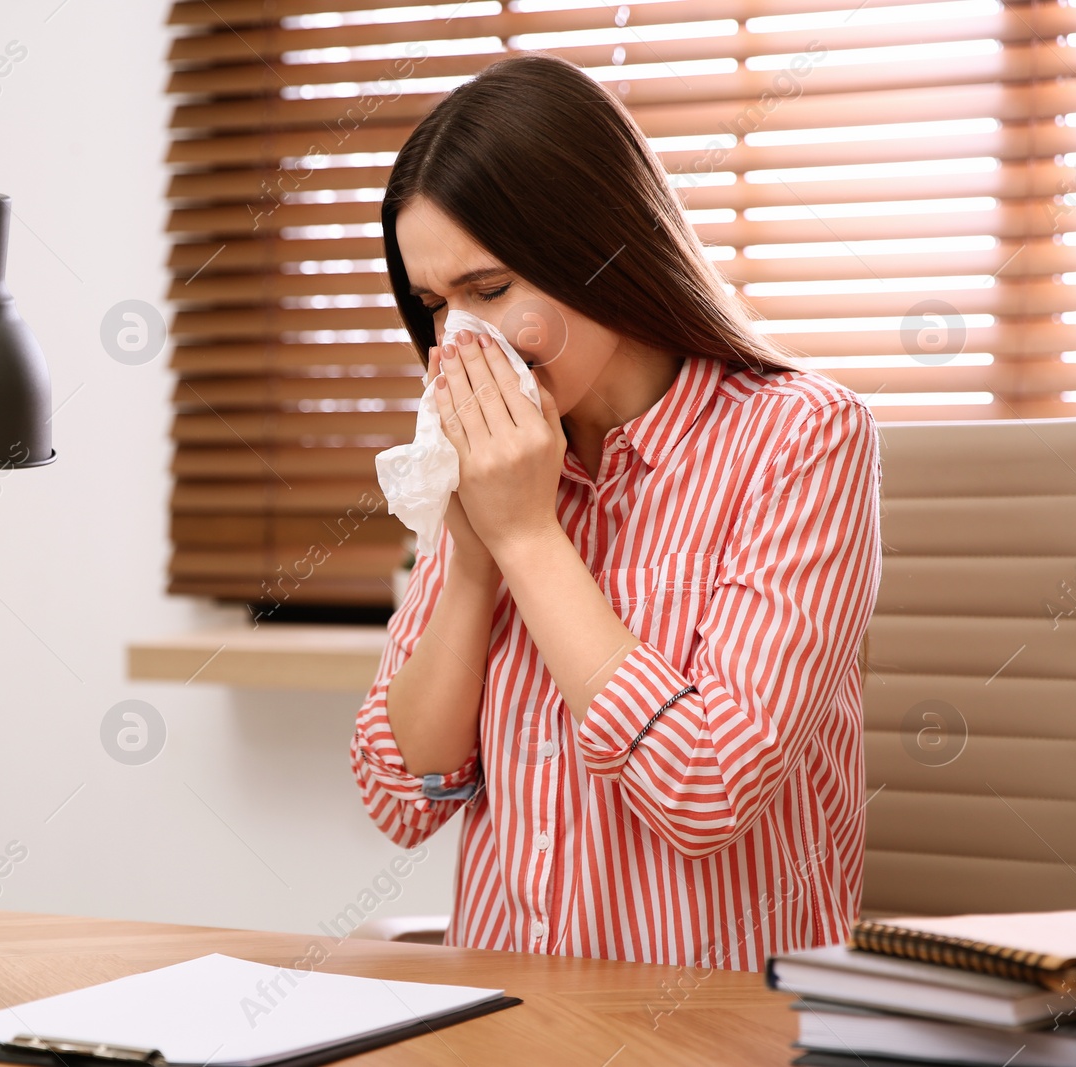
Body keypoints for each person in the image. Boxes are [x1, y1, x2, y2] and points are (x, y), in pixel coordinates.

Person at [349, 54, 882, 971]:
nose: (457, 345)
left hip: (717, 1031)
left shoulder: (804, 439)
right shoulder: (501, 460)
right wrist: (477, 557)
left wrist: (527, 536)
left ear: (605, 250)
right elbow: (406, 796)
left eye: (490, 291)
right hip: (510, 1022)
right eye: (433, 305)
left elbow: (705, 788)